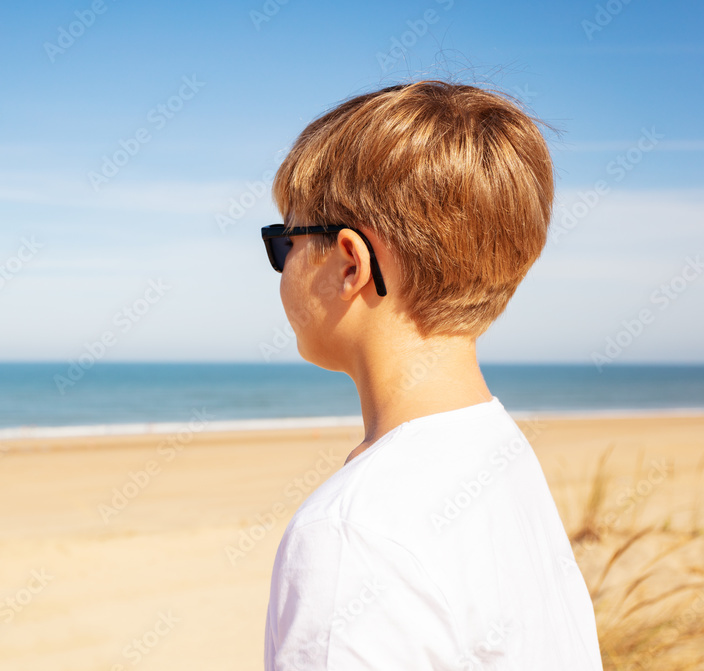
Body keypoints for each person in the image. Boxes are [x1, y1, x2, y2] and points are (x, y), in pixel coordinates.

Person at [260, 80, 602, 670]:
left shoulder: (353, 535)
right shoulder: (495, 448)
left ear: (349, 263)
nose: (281, 266)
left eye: (283, 240)